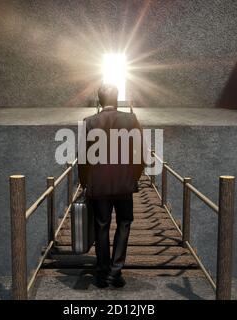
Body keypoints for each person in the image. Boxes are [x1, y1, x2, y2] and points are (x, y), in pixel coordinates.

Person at [78, 84, 144, 288]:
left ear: (99, 101)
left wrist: (85, 183)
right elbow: (140, 154)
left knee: (101, 225)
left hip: (98, 185)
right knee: (124, 223)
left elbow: (83, 159)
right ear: (117, 99)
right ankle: (115, 272)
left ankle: (101, 272)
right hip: (124, 183)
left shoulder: (88, 122)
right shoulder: (130, 120)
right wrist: (134, 176)